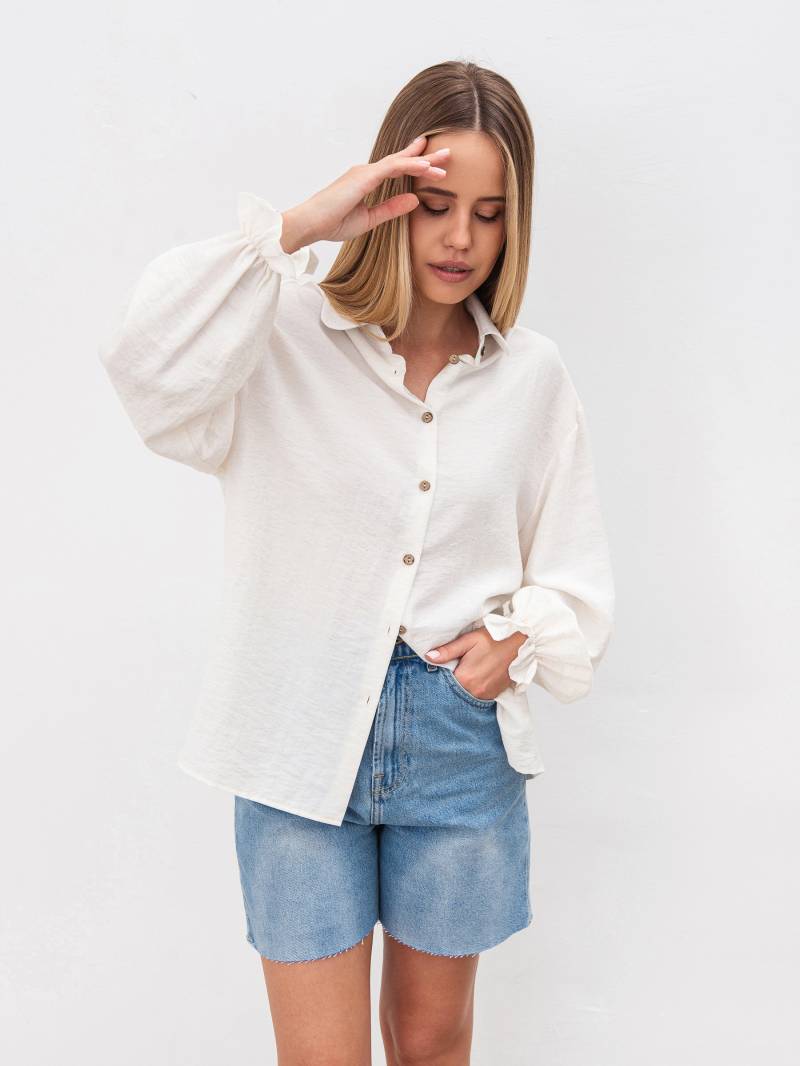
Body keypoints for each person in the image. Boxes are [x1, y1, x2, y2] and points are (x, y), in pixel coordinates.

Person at [99, 60, 614, 1066]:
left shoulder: (530, 377)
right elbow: (145, 367)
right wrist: (299, 227)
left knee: (430, 1045)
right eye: (435, 205)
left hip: (457, 741)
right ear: (387, 192)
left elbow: (573, 566)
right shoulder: (281, 333)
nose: (460, 239)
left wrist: (516, 641)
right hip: (295, 738)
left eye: (489, 214)